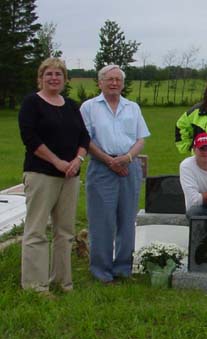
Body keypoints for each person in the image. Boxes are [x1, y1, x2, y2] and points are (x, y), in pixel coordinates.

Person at [18, 57, 90, 294]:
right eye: (48, 74)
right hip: (41, 174)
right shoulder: (32, 103)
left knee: (65, 231)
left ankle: (63, 282)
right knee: (37, 230)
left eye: (58, 74)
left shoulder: (71, 105)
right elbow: (30, 138)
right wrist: (57, 162)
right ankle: (36, 286)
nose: (53, 78)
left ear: (64, 79)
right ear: (41, 78)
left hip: (70, 177)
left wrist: (77, 160)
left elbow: (83, 137)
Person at [80, 65, 150, 284]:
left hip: (129, 166)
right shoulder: (89, 107)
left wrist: (127, 158)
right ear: (100, 82)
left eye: (118, 80)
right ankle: (101, 271)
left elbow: (140, 139)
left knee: (127, 220)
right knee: (102, 221)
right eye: (109, 79)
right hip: (102, 166)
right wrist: (109, 161)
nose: (114, 83)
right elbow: (85, 140)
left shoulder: (132, 107)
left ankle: (123, 268)